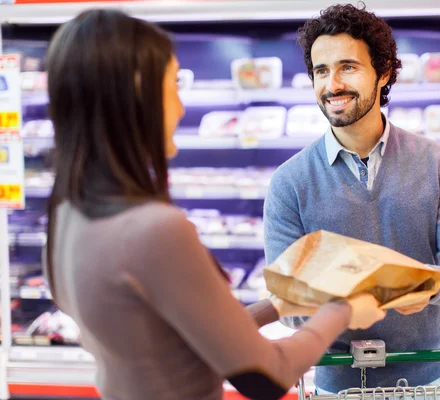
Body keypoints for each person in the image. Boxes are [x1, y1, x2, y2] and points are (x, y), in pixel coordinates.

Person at [42, 9, 386, 400]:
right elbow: (265, 376)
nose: (181, 107)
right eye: (172, 84)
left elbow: (180, 336)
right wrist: (341, 312)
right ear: (137, 91)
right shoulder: (155, 231)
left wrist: (276, 305)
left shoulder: (67, 212)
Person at [264, 3, 440, 395]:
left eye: (347, 67)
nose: (332, 84)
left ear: (383, 73)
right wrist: (348, 304)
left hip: (428, 386)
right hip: (338, 387)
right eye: (321, 70)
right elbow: (284, 301)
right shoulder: (289, 183)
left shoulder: (438, 164)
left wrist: (424, 286)